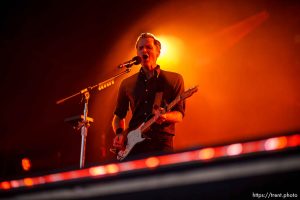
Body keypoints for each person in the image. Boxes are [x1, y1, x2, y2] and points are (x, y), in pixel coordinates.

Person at [112, 32, 185, 159]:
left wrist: (165, 116)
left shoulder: (174, 79)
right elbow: (118, 116)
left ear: (158, 52)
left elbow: (179, 114)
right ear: (137, 54)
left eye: (148, 47)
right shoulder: (127, 83)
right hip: (133, 145)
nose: (144, 50)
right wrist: (119, 133)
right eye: (140, 48)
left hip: (161, 144)